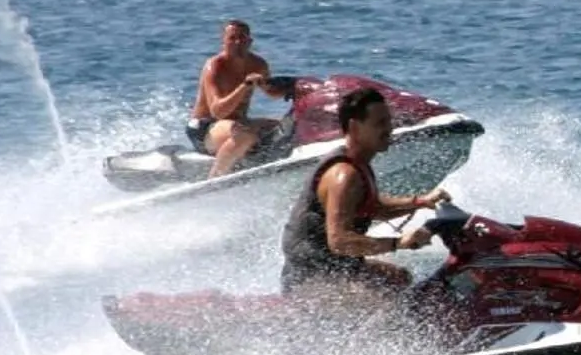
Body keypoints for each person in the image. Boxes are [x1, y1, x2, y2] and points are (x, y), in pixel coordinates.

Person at [281, 86, 451, 297]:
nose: (390, 129)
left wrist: (420, 202)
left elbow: (373, 207)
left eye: (389, 121)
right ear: (354, 128)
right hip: (310, 280)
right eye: (380, 123)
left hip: (340, 269)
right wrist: (398, 243)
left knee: (400, 278)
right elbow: (340, 241)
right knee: (389, 304)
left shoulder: (358, 164)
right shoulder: (343, 175)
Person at [189, 19, 293, 178]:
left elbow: (272, 93)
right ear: (223, 41)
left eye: (242, 38)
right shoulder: (215, 66)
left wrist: (291, 89)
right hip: (206, 128)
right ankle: (214, 179)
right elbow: (218, 112)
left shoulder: (258, 64)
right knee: (244, 135)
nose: (238, 42)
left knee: (285, 126)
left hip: (237, 123)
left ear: (250, 41)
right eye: (232, 38)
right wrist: (244, 86)